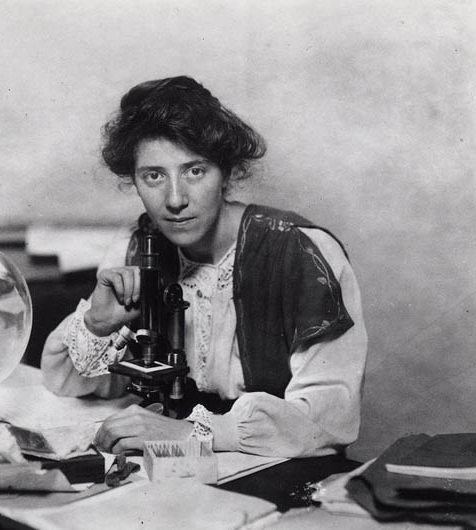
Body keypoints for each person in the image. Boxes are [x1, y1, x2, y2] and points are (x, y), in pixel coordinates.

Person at [40, 76, 367, 458]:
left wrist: (195, 433)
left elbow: (328, 420)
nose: (175, 199)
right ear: (135, 181)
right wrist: (97, 324)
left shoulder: (300, 252)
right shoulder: (137, 245)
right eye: (154, 175)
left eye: (194, 171)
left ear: (225, 173)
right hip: (176, 461)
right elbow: (66, 383)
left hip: (279, 465)